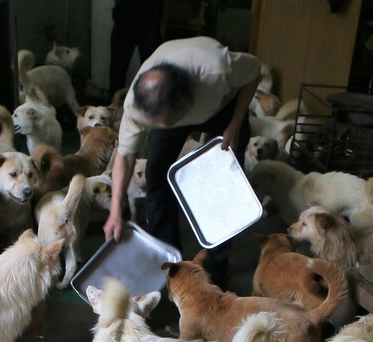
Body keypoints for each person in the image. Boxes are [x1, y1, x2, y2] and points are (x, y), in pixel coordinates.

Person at [103, 36, 261, 289]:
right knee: (156, 177)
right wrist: (114, 210)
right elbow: (126, 154)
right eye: (158, 123)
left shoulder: (217, 69)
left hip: (222, 108)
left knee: (223, 182)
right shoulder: (138, 103)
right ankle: (171, 264)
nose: (163, 128)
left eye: (167, 122)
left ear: (183, 102)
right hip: (168, 108)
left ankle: (215, 270)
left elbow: (254, 71)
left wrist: (236, 123)